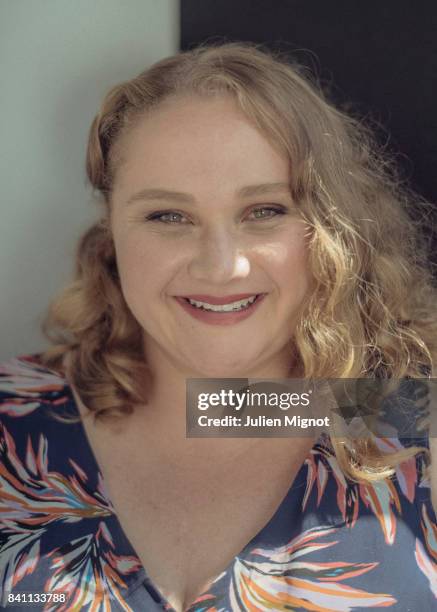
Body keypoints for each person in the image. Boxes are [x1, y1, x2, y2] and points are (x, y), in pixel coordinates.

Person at [1, 42, 436, 612]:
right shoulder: (12, 422)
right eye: (168, 216)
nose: (220, 265)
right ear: (112, 229)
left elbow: (229, 407)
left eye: (264, 211)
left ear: (333, 227)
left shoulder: (404, 422)